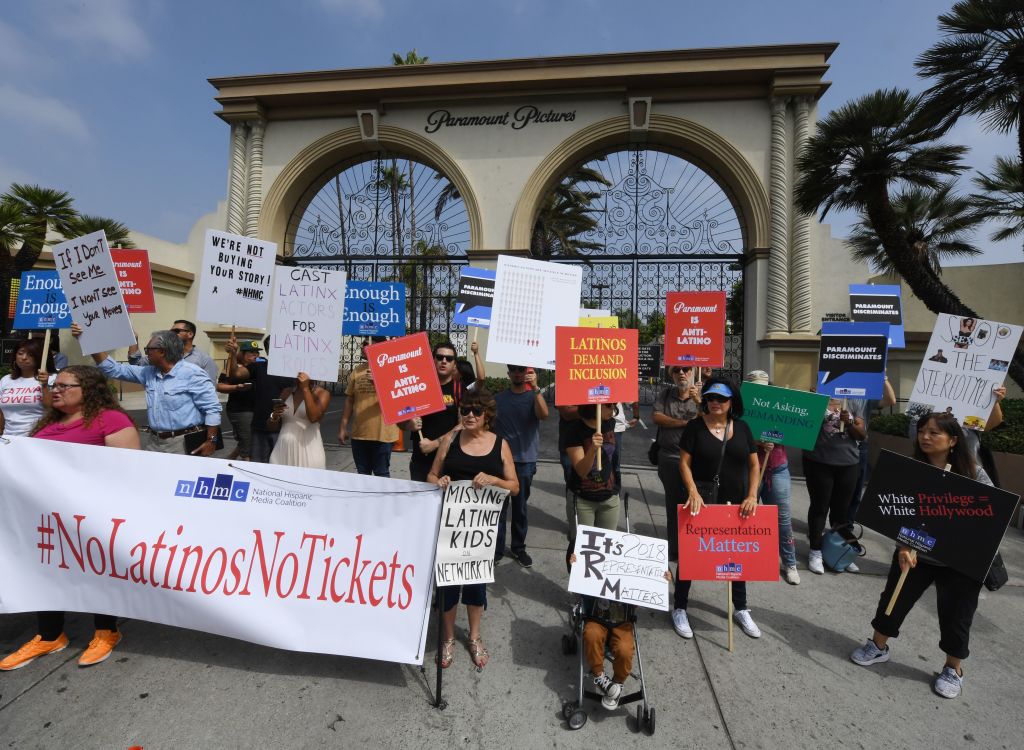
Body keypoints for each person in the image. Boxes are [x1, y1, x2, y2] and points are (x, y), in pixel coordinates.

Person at [0, 366, 139, 671]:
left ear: (87, 389)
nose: (56, 390)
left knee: (98, 572)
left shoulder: (111, 420)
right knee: (45, 574)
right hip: (46, 515)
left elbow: (129, 472)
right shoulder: (48, 423)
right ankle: (50, 635)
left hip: (92, 515)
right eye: (54, 385)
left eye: (64, 385)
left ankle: (106, 631)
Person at [850, 412, 994, 699]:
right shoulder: (910, 470)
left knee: (957, 616)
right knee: (892, 603)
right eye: (922, 431)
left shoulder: (974, 473)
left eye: (934, 433)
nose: (925, 437)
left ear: (953, 440)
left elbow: (990, 514)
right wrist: (903, 546)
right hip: (915, 555)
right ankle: (878, 646)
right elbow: (896, 512)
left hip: (960, 562)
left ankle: (954, 669)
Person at [428, 390, 519, 670]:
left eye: (475, 412)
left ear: (486, 416)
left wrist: (494, 479)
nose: (468, 415)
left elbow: (514, 486)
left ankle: (475, 637)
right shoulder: (449, 440)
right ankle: (448, 638)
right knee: (448, 584)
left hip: (481, 531)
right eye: (465, 410)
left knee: (476, 585)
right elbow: (430, 475)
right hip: (451, 527)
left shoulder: (500, 445)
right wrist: (439, 480)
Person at [674, 378, 762, 640]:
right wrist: (692, 491)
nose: (715, 403)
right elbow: (684, 463)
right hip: (701, 501)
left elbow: (754, 465)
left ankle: (741, 608)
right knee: (691, 554)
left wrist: (752, 495)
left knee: (736, 556)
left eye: (721, 399)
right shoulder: (694, 427)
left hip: (735, 504)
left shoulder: (743, 428)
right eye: (711, 398)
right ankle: (679, 606)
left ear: (731, 402)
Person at [73, 324, 221, 455]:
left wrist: (211, 441)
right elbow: (113, 369)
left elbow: (212, 409)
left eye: (149, 349)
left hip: (182, 444)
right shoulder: (148, 372)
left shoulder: (192, 373)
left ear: (162, 351)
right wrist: (87, 340)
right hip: (154, 442)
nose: (146, 352)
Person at [744, 370, 799, 585]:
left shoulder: (779, 405)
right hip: (750, 469)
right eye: (756, 386)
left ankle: (789, 562)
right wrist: (757, 442)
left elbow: (795, 431)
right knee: (747, 515)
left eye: (764, 386)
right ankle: (748, 558)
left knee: (783, 518)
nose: (760, 390)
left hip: (776, 469)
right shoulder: (741, 410)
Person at [802, 394, 866, 575]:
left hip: (848, 464)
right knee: (819, 507)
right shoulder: (815, 398)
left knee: (841, 510)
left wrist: (851, 423)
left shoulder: (853, 401)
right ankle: (815, 550)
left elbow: (862, 435)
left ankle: (840, 550)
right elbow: (801, 429)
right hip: (818, 462)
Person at [493, 364, 549, 567]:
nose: (517, 373)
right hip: (502, 461)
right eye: (513, 370)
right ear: (508, 374)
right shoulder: (498, 399)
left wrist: (536, 389)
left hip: (525, 461)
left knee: (520, 507)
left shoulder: (534, 397)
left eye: (521, 370)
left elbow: (544, 415)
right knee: (499, 507)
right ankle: (497, 550)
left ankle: (518, 548)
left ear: (527, 373)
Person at [652, 365, 701, 562]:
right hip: (669, 458)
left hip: (696, 461)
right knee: (673, 505)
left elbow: (711, 420)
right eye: (677, 370)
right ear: (672, 375)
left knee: (695, 504)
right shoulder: (665, 395)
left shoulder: (702, 396)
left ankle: (693, 547)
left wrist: (700, 402)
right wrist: (687, 423)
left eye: (686, 369)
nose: (682, 373)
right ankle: (675, 548)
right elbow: (657, 417)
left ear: (692, 372)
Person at [564, 403, 620, 565]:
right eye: (609, 406)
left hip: (609, 498)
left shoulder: (609, 423)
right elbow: (581, 470)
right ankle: (581, 589)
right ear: (595, 407)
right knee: (580, 549)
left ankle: (599, 588)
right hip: (583, 500)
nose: (614, 410)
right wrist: (592, 450)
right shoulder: (574, 431)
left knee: (606, 549)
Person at [224, 334, 291, 463]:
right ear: (269, 350)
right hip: (261, 427)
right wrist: (233, 354)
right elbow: (236, 374)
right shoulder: (259, 366)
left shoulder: (295, 369)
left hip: (288, 429)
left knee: (283, 468)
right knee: (259, 466)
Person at [403, 340, 463, 482]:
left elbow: (463, 425)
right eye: (439, 357)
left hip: (448, 462)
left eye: (449, 359)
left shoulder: (459, 390)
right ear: (433, 359)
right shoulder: (417, 386)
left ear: (454, 363)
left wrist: (436, 444)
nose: (444, 361)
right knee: (419, 503)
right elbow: (400, 420)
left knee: (444, 504)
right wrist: (408, 425)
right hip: (420, 462)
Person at [338, 336, 399, 476]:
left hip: (383, 436)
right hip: (359, 435)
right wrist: (343, 427)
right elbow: (349, 400)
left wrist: (379, 383)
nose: (363, 346)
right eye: (363, 343)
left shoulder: (392, 369)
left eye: (367, 343)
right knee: (362, 476)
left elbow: (396, 397)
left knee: (381, 474)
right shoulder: (357, 371)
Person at [846, 373, 897, 525]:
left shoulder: (864, 395)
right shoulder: (828, 392)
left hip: (858, 447)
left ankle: (846, 527)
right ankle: (820, 525)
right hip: (830, 447)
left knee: (854, 491)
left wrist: (884, 376)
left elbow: (890, 400)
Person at [268, 372, 330, 470]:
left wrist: (305, 388)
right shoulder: (286, 392)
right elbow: (271, 427)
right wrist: (274, 416)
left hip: (309, 452)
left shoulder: (322, 393)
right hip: (282, 450)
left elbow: (314, 418)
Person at [128, 319, 218, 382]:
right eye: (170, 331)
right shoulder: (163, 354)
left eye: (176, 331)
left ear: (190, 334)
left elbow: (209, 390)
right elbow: (136, 364)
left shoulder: (204, 359)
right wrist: (133, 339)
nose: (171, 334)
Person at [0, 338, 52, 437]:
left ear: (40, 357)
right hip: (8, 438)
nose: (24, 357)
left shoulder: (51, 379)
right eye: (20, 353)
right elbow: (1, 412)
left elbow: (51, 408)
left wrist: (44, 385)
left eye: (30, 354)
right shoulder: (6, 380)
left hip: (38, 438)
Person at [217, 340, 259, 461]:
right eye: (251, 353)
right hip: (240, 410)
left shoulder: (259, 367)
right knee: (247, 441)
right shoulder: (231, 367)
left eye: (257, 353)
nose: (255, 356)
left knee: (248, 439)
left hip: (255, 409)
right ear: (242, 354)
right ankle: (247, 463)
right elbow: (220, 386)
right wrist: (236, 387)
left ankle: (229, 459)